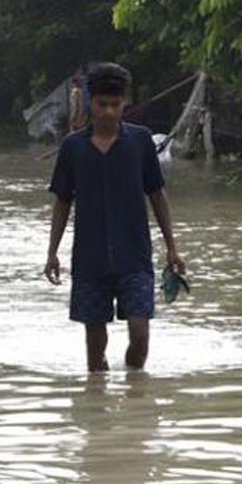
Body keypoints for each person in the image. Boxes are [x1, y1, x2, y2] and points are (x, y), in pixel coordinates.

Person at [43, 63, 186, 376]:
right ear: (90, 103)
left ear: (124, 104)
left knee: (140, 334)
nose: (108, 112)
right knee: (95, 355)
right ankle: (100, 407)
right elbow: (62, 201)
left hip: (134, 257)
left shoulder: (140, 142)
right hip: (89, 261)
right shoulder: (72, 147)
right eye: (101, 104)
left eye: (114, 105)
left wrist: (172, 247)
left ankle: (136, 390)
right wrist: (52, 252)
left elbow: (157, 195)